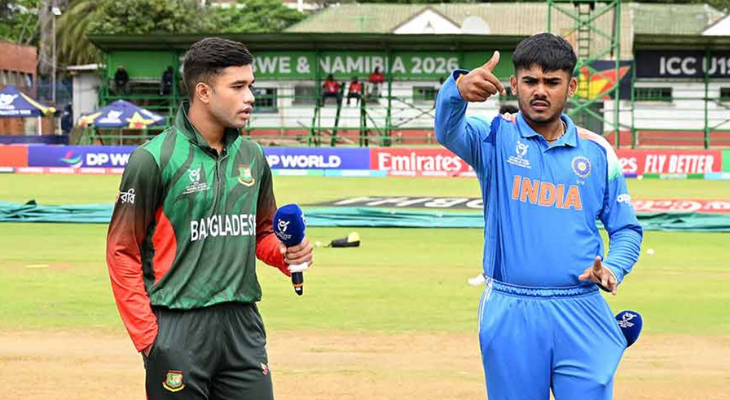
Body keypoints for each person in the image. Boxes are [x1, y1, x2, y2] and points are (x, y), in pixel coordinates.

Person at [434, 33, 642, 400]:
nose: (540, 91)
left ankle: (606, 338)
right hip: (512, 309)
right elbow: (447, 131)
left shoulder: (597, 151)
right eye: (530, 81)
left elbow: (626, 229)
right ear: (514, 85)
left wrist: (613, 267)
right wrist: (456, 91)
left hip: (581, 307)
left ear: (571, 87)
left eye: (552, 82)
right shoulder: (494, 137)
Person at [106, 37, 314, 400]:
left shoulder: (252, 156)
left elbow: (262, 234)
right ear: (203, 92)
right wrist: (149, 339)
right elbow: (121, 251)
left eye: (251, 85)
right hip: (177, 326)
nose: (250, 97)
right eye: (238, 87)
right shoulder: (153, 159)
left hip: (242, 327)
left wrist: (286, 254)